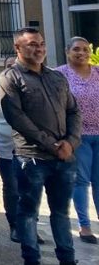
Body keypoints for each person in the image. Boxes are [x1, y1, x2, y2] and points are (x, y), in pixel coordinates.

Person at [0, 27, 81, 265]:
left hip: (63, 158)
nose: (39, 48)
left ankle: (67, 258)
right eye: (32, 44)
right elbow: (17, 118)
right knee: (28, 213)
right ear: (18, 48)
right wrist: (52, 144)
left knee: (62, 213)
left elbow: (73, 110)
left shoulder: (56, 76)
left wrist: (70, 142)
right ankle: (31, 259)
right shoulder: (10, 78)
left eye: (41, 43)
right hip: (31, 158)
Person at [56, 36, 99, 245]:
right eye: (76, 49)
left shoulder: (98, 72)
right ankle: (84, 227)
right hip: (77, 137)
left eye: (84, 49)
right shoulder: (59, 74)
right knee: (81, 181)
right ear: (67, 51)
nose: (81, 53)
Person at [0, 55, 22, 242]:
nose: (12, 69)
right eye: (8, 66)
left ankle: (29, 224)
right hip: (4, 146)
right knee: (12, 185)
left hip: (30, 148)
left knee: (30, 188)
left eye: (15, 65)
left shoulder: (30, 86)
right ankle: (14, 225)